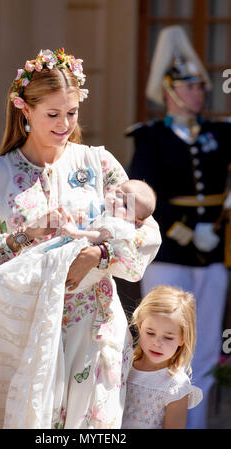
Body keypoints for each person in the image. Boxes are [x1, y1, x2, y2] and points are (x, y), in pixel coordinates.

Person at [0, 48, 161, 429]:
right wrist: (25, 235)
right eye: (53, 114)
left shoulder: (98, 163)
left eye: (72, 112)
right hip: (21, 333)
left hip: (93, 331)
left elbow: (146, 231)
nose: (64, 124)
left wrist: (97, 255)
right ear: (24, 110)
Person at [126, 26, 231, 428]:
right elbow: (143, 196)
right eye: (190, 87)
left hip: (212, 255)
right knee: (159, 348)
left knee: (202, 352)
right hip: (168, 253)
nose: (199, 94)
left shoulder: (219, 133)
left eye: (202, 86)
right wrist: (187, 231)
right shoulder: (150, 137)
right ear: (169, 92)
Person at [121, 285, 203, 429]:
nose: (157, 343)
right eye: (150, 333)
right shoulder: (124, 364)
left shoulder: (176, 385)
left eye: (168, 337)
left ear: (182, 339)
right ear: (140, 328)